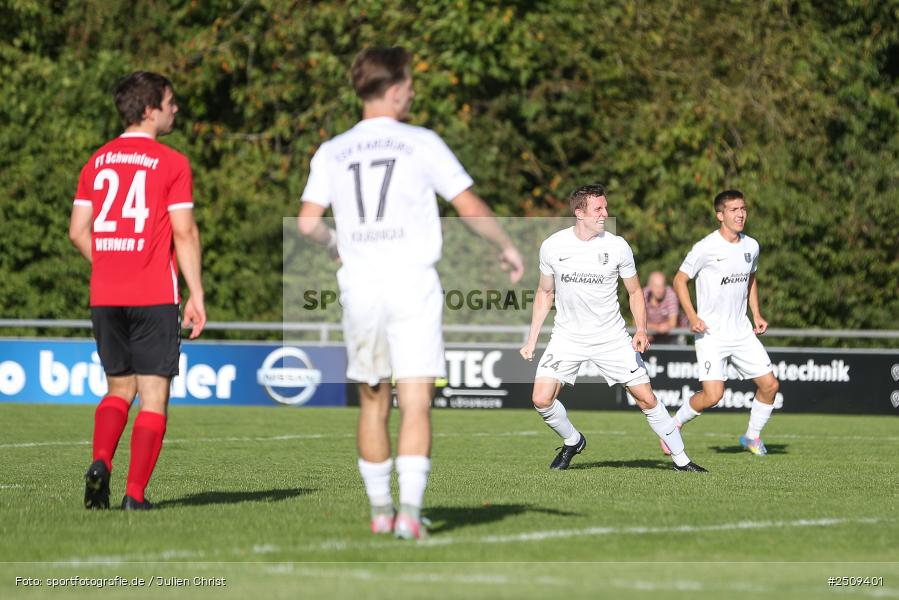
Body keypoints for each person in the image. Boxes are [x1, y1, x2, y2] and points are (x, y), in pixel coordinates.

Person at [297, 46, 524, 540]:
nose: (413, 94)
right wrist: (506, 244)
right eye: (410, 86)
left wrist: (336, 243)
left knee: (372, 402)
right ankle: (410, 516)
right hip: (411, 283)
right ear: (396, 89)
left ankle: (381, 512)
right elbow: (467, 204)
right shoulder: (420, 142)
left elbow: (307, 223)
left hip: (360, 286)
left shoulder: (331, 150)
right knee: (416, 402)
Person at [69, 71, 206, 510]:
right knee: (153, 397)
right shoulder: (172, 162)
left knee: (117, 390)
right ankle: (134, 494)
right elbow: (183, 233)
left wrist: (111, 261)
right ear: (149, 110)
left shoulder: (97, 160)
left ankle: (100, 462)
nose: (175, 108)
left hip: (105, 294)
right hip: (152, 295)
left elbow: (77, 232)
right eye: (170, 101)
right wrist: (196, 293)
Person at [519, 184, 706, 473]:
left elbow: (634, 292)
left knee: (646, 398)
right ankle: (573, 441)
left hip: (612, 337)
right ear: (579, 213)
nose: (606, 213)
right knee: (541, 399)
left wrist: (641, 330)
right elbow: (545, 294)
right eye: (598, 209)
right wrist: (532, 339)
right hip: (567, 337)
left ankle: (682, 461)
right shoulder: (552, 246)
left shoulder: (617, 246)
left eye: (606, 207)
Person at [668, 189, 779, 456]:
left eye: (743, 209)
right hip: (712, 334)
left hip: (741, 331)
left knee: (770, 385)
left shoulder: (751, 246)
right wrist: (693, 317)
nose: (740, 214)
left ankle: (752, 437)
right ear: (720, 215)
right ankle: (672, 426)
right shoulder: (706, 247)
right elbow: (679, 280)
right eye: (733, 210)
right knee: (713, 395)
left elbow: (751, 278)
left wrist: (757, 313)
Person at [643, 271, 683, 344]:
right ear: (650, 286)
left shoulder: (671, 295)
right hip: (649, 338)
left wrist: (649, 327)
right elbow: (636, 322)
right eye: (657, 286)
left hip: (671, 338)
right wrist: (656, 328)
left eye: (662, 286)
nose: (660, 290)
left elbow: (672, 323)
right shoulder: (643, 295)